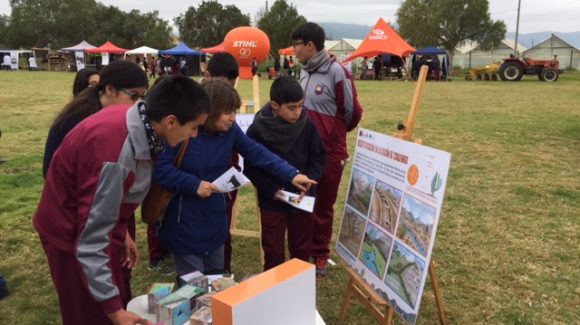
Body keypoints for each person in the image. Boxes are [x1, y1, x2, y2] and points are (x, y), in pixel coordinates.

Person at [33, 75, 211, 325]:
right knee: (91, 313)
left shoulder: (142, 122)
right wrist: (113, 310)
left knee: (118, 294)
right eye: (193, 127)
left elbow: (105, 202)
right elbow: (90, 241)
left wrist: (122, 232)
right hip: (69, 235)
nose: (193, 135)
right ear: (171, 121)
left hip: (95, 226)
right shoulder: (114, 155)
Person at [152, 79, 317, 276]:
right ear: (211, 111)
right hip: (184, 219)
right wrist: (194, 184)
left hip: (215, 219)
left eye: (235, 112)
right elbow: (161, 169)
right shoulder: (185, 129)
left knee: (217, 281)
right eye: (228, 112)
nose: (233, 118)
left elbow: (257, 153)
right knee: (192, 288)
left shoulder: (230, 131)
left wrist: (292, 175)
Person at [292, 22, 363, 277]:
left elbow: (353, 112)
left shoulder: (337, 72)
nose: (294, 50)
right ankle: (302, 251)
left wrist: (333, 136)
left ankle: (320, 254)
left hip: (330, 153)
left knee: (323, 205)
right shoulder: (302, 72)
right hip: (304, 151)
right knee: (304, 201)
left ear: (310, 46)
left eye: (296, 45)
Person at [245, 76, 325, 271]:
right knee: (273, 251)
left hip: (302, 197)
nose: (298, 113)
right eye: (291, 108)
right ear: (274, 105)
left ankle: (298, 287)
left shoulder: (308, 125)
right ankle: (273, 292)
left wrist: (309, 181)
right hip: (272, 199)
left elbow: (319, 158)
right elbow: (251, 167)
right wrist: (272, 190)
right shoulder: (257, 129)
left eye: (300, 106)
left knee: (301, 248)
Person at [43, 62, 145, 178]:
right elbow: (51, 170)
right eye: (134, 95)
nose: (138, 103)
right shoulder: (76, 120)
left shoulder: (124, 118)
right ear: (110, 89)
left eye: (143, 96)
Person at [203, 52, 240, 274]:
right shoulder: (191, 113)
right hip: (196, 198)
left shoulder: (230, 125)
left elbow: (253, 151)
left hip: (223, 187)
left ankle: (222, 272)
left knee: (221, 229)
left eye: (233, 85)